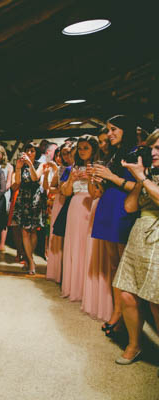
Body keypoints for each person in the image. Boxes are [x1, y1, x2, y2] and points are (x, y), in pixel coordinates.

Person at [112, 129, 159, 365]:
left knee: (156, 300)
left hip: (158, 239)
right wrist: (143, 178)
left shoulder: (146, 177)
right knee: (127, 294)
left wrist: (141, 178)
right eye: (153, 148)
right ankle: (134, 344)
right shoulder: (150, 174)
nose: (154, 152)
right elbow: (130, 207)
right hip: (139, 234)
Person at [89, 115, 138, 337]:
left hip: (122, 210)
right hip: (108, 207)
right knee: (113, 267)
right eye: (109, 130)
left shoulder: (137, 153)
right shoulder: (115, 154)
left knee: (123, 269)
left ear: (125, 130)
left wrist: (111, 177)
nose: (109, 134)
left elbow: (139, 187)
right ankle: (116, 311)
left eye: (114, 129)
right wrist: (98, 180)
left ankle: (121, 316)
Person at [60, 136, 98, 301]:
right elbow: (66, 192)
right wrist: (72, 179)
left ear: (93, 149)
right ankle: (74, 287)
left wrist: (89, 177)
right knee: (74, 246)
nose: (82, 151)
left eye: (86, 148)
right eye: (80, 148)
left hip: (90, 206)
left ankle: (87, 290)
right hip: (74, 207)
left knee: (88, 247)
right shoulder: (74, 167)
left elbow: (95, 192)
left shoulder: (98, 166)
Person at [12, 143, 46, 274]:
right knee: (24, 231)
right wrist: (18, 168)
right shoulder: (21, 165)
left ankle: (29, 257)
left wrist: (30, 164)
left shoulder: (40, 165)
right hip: (23, 199)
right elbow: (17, 182)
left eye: (32, 151)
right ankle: (30, 260)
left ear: (36, 153)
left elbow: (35, 177)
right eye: (27, 151)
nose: (29, 153)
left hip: (35, 200)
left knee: (33, 231)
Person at [45, 143, 72, 283]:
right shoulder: (61, 169)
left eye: (69, 153)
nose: (66, 156)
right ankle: (58, 271)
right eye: (64, 154)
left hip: (74, 204)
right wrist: (59, 190)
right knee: (57, 237)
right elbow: (51, 187)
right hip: (60, 202)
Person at [0, 146, 13, 253]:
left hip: (4, 193)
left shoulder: (9, 166)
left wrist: (1, 190)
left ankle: (2, 243)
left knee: (3, 219)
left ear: (3, 154)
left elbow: (9, 182)